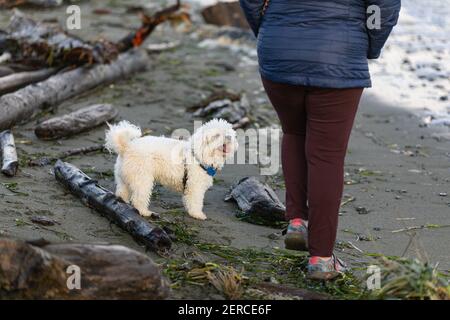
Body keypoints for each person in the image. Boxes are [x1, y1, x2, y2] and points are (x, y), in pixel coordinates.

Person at [240, 0, 401, 280]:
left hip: (279, 49)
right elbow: (383, 6)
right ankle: (321, 259)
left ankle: (297, 222)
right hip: (340, 54)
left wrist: (269, 27)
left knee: (293, 132)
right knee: (326, 156)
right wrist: (370, 45)